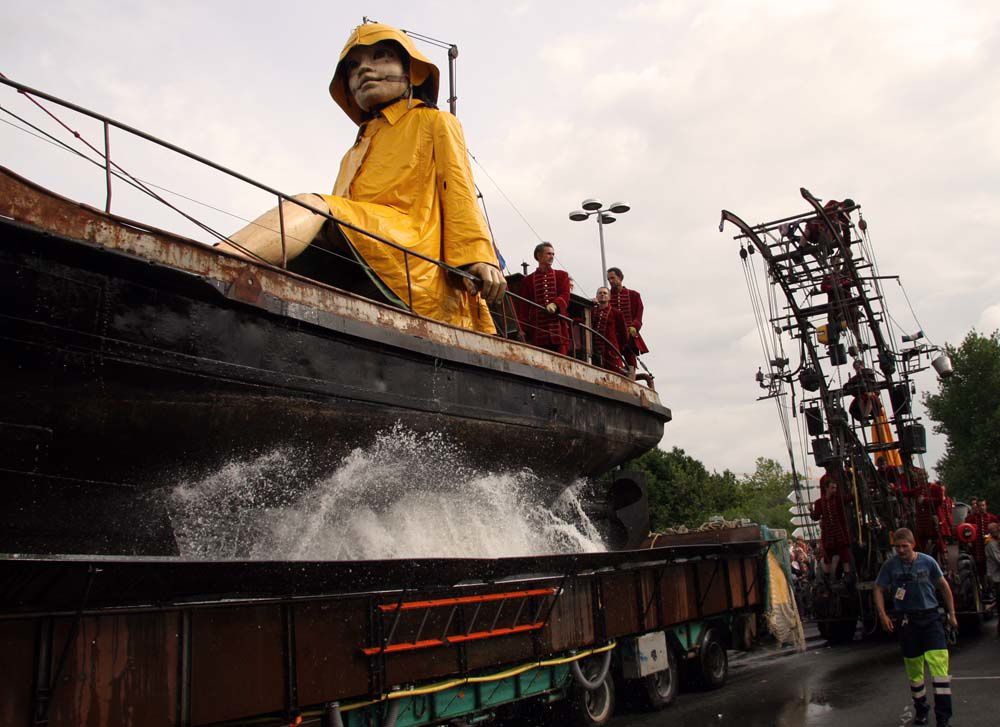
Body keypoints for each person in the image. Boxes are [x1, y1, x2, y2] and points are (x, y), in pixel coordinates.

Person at [218, 22, 505, 334]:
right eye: (354, 67)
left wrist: (478, 257)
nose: (364, 71)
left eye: (381, 57)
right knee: (308, 233)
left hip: (413, 243)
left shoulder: (436, 121)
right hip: (364, 241)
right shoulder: (353, 151)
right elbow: (339, 210)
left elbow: (458, 188)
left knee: (311, 204)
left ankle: (215, 261)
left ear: (412, 72)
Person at [875, 528, 957, 727]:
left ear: (913, 545)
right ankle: (921, 710)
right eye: (897, 547)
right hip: (907, 621)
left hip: (930, 618)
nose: (901, 550)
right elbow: (878, 588)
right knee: (914, 670)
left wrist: (952, 614)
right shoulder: (889, 566)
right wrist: (883, 614)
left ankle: (943, 717)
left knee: (939, 666)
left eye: (904, 546)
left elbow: (944, 586)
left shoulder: (928, 562)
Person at [516, 243, 571, 354]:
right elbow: (524, 308)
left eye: (553, 254)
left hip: (559, 330)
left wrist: (555, 304)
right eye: (548, 254)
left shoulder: (562, 275)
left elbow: (565, 294)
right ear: (539, 256)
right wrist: (521, 329)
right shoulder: (528, 280)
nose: (551, 256)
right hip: (538, 331)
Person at [810, 473, 853, 580]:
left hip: (839, 533)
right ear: (826, 488)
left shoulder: (839, 499)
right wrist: (811, 510)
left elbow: (849, 498)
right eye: (832, 488)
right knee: (828, 555)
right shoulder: (819, 503)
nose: (834, 490)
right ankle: (828, 578)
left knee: (844, 553)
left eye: (835, 488)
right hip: (828, 534)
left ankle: (847, 575)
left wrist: (852, 482)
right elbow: (815, 517)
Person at [606, 267, 649, 373]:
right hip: (613, 336)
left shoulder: (634, 295)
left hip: (629, 334)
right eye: (608, 279)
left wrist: (634, 326)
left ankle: (631, 380)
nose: (610, 281)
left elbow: (638, 315)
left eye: (612, 278)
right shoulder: (607, 296)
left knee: (631, 361)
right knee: (612, 361)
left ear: (620, 278)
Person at [592, 287, 628, 373]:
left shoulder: (616, 313)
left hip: (611, 353)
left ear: (609, 297)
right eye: (600, 293)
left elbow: (624, 335)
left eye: (605, 293)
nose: (602, 294)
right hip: (594, 351)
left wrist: (616, 347)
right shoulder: (592, 311)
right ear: (596, 296)